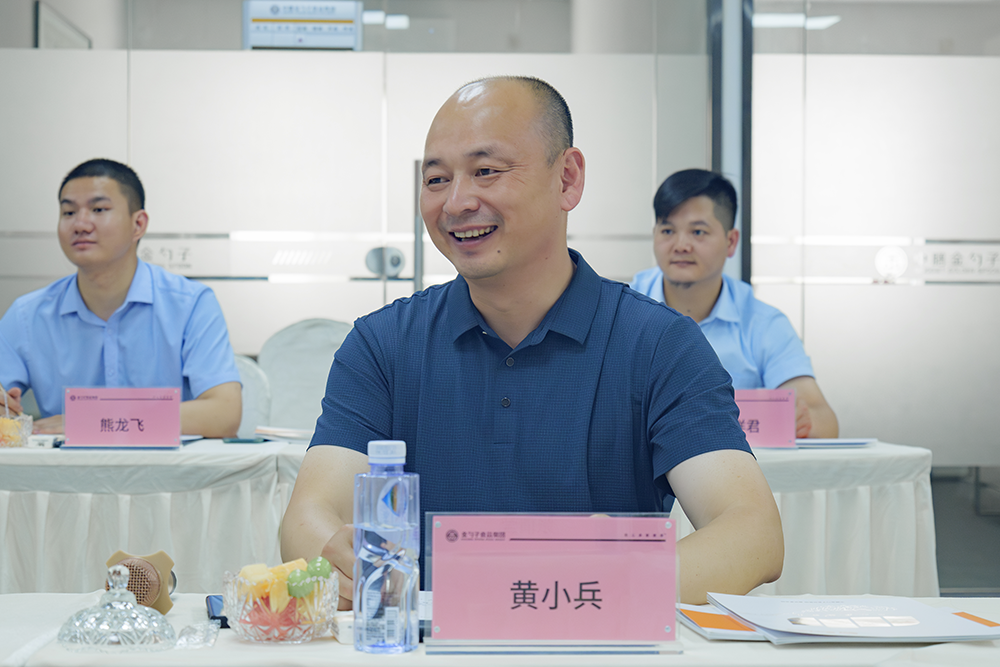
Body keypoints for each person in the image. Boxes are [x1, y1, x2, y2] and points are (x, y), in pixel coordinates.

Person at [281, 76, 783, 606]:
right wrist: (335, 560)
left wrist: (571, 592)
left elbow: (752, 533)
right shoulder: (383, 345)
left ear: (567, 179)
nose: (456, 202)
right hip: (423, 641)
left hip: (594, 634)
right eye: (436, 179)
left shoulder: (659, 345)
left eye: (486, 172)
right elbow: (308, 517)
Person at [0, 158, 242, 438]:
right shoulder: (27, 316)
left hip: (167, 467)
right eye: (68, 212)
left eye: (98, 209)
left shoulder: (190, 304)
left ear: (138, 224)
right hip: (66, 467)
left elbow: (223, 414)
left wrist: (91, 421)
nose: (80, 224)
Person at [630, 169, 838, 438]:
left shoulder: (763, 323)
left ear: (731, 242)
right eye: (668, 230)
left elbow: (823, 420)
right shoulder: (623, 310)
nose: (681, 245)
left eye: (698, 232)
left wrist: (799, 421)